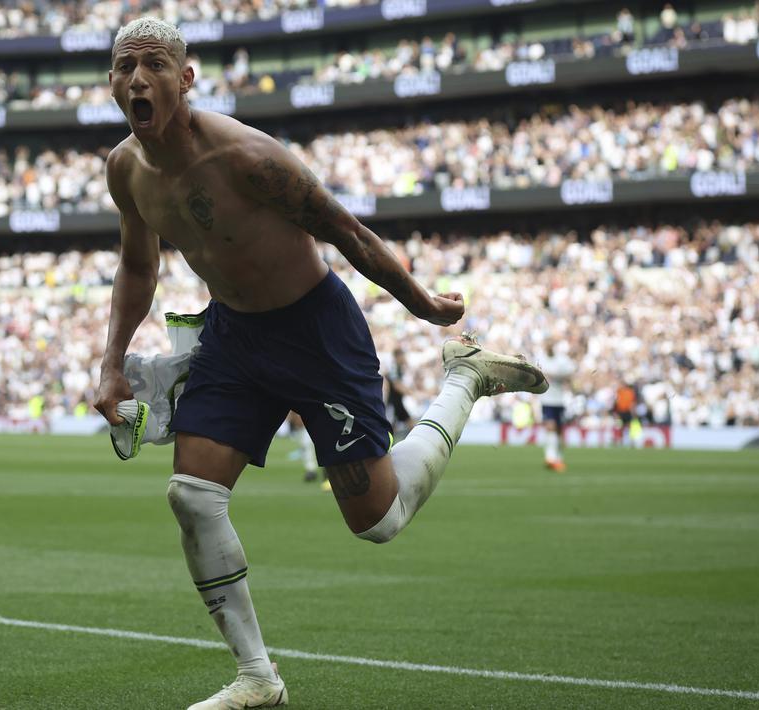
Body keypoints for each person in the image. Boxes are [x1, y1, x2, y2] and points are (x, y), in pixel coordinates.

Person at [94, 18, 548, 710]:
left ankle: (465, 378)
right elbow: (136, 264)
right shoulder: (123, 168)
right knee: (191, 495)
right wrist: (110, 364)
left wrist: (419, 302)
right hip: (232, 338)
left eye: (152, 64)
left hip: (315, 330)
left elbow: (344, 229)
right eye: (123, 66)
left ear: (184, 79)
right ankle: (257, 679)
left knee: (378, 520)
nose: (135, 79)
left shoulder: (245, 156)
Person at [536, 344, 576, 472]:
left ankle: (558, 457)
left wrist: (557, 376)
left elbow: (570, 374)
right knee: (550, 426)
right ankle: (550, 458)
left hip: (559, 399)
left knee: (558, 430)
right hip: (546, 399)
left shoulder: (562, 360)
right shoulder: (540, 358)